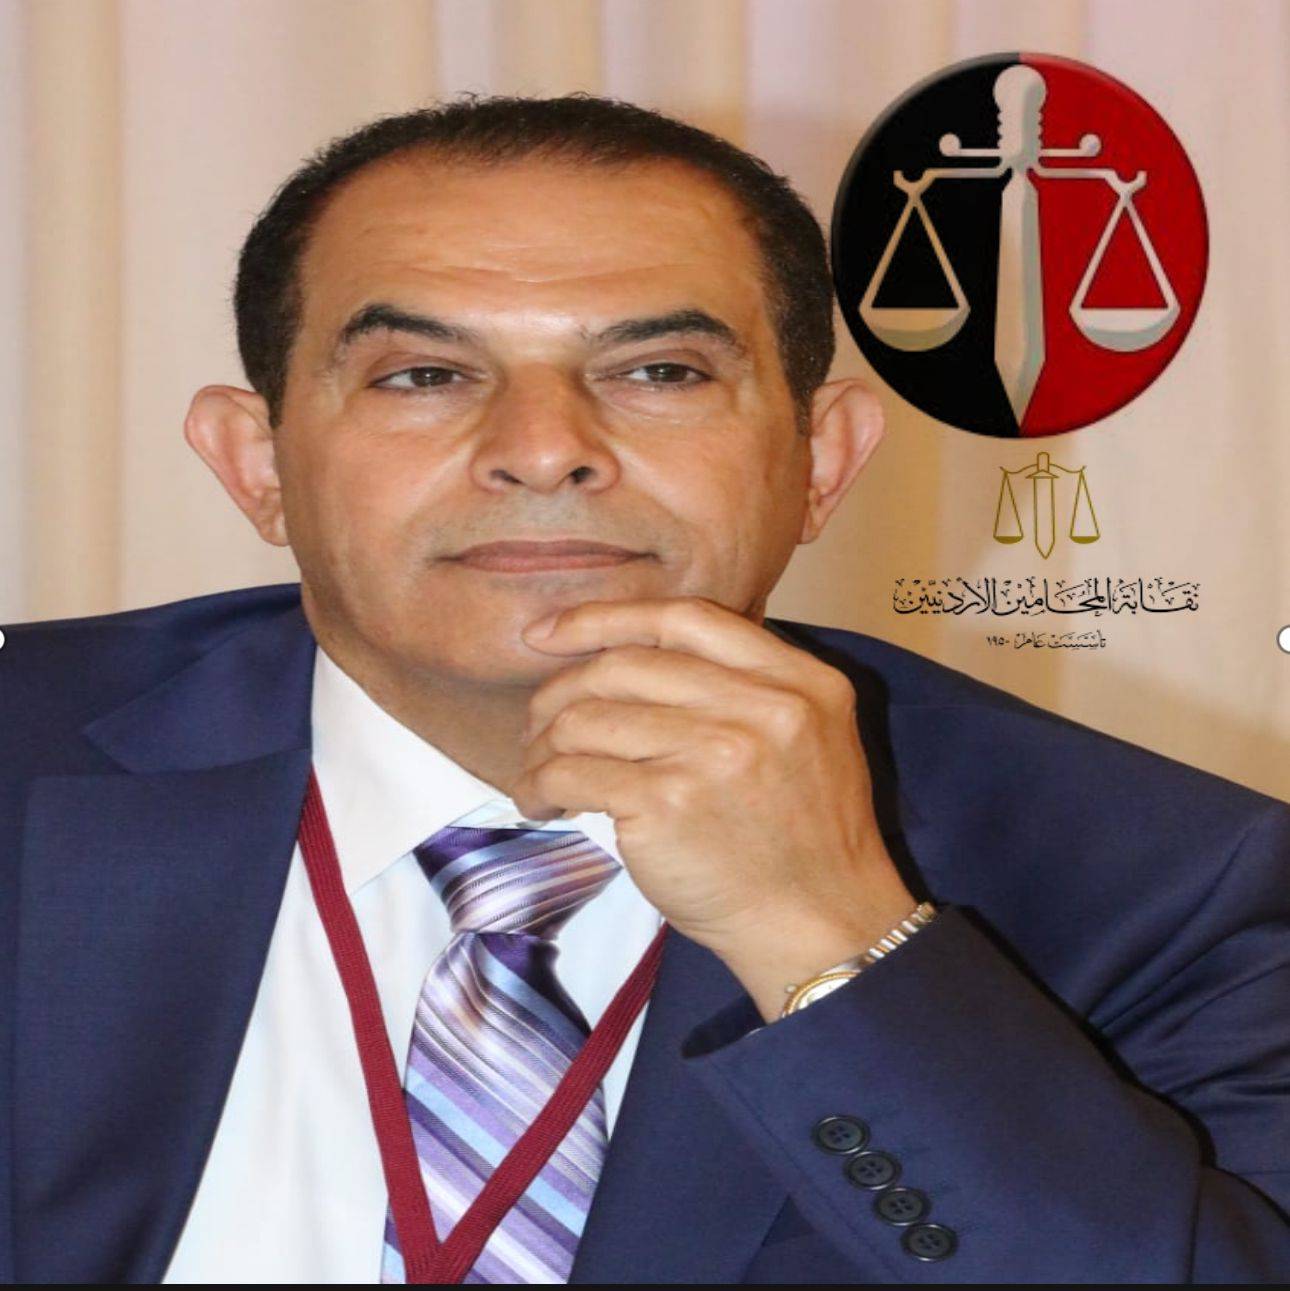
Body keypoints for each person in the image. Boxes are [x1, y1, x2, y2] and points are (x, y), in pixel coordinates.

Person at [2, 93, 1287, 1285]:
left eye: (659, 372)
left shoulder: (1166, 885)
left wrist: (831, 938)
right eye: (424, 375)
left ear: (821, 461)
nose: (544, 450)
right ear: (257, 463)